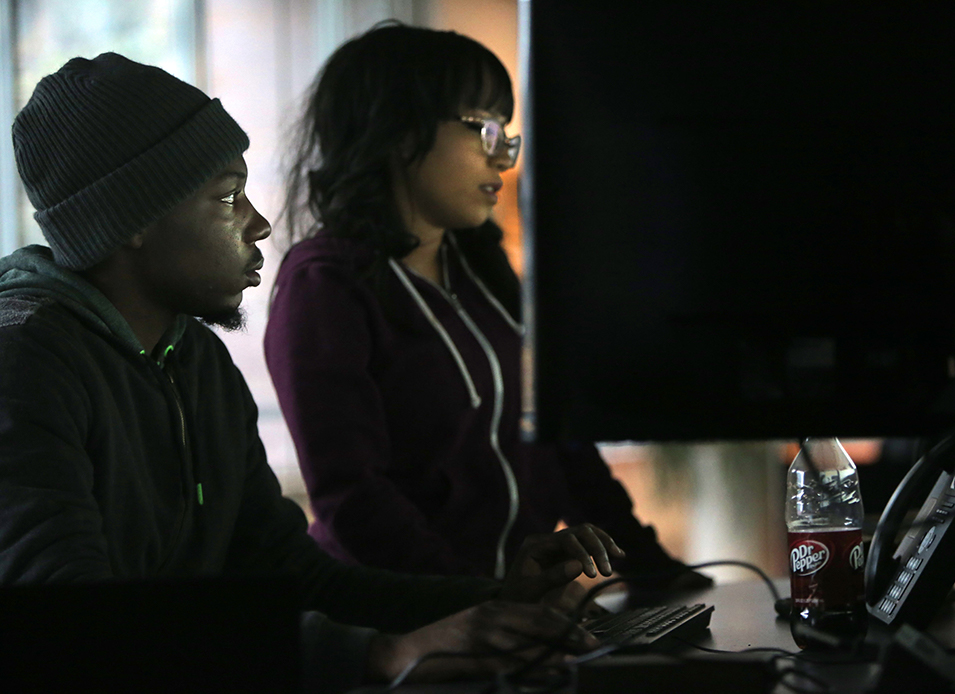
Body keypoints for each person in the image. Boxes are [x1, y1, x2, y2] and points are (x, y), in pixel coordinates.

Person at [0, 52, 625, 693]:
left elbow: (297, 577)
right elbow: (76, 623)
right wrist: (377, 655)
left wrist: (492, 602)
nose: (260, 224)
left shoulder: (195, 360)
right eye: (227, 198)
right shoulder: (24, 363)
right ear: (130, 217)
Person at [264, 21, 709, 593]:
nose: (502, 156)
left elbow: (561, 446)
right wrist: (481, 601)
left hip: (504, 607)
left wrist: (650, 568)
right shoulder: (326, 284)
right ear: (398, 130)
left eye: (507, 132)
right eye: (484, 127)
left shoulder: (479, 270)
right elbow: (353, 495)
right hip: (402, 617)